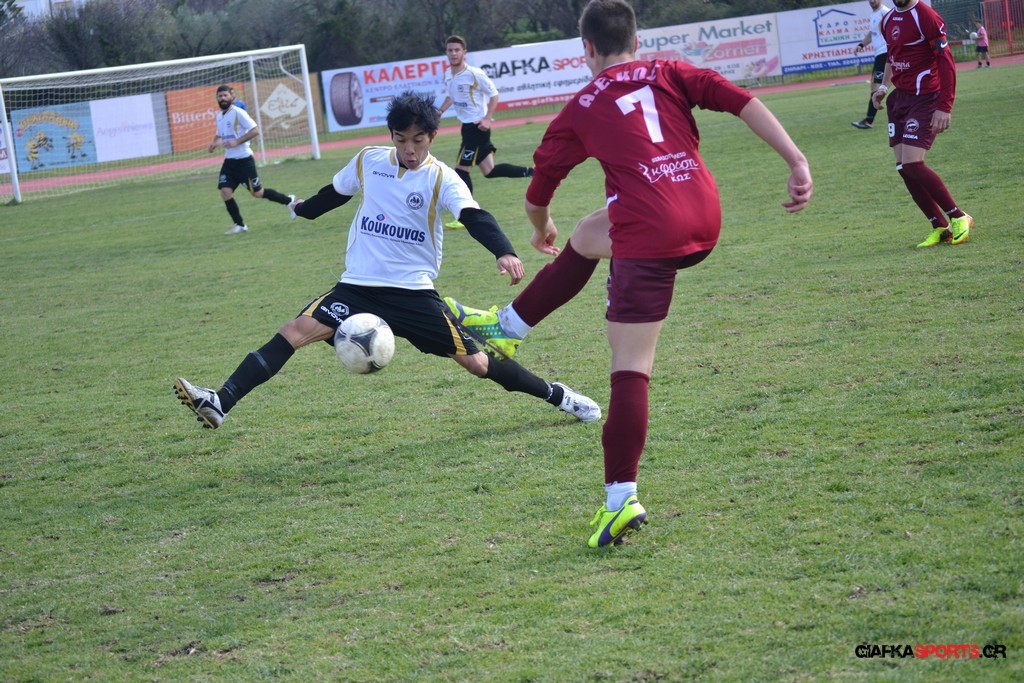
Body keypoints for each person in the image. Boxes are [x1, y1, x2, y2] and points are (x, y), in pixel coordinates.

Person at [444, 0, 812, 548]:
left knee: (630, 367)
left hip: (649, 232)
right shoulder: (669, 72)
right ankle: (509, 327)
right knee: (590, 233)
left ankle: (621, 500)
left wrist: (541, 229)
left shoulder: (581, 106)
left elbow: (538, 192)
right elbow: (743, 102)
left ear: (586, 49)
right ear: (636, 41)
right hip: (704, 213)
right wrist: (796, 160)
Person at [175, 90, 600, 435]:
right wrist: (303, 209)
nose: (409, 149)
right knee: (293, 331)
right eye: (401, 139)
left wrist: (503, 250)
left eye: (418, 140)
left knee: (478, 363)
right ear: (391, 136)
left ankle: (558, 396)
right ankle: (220, 402)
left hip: (412, 293)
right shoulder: (369, 160)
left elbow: (474, 215)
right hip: (357, 287)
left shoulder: (441, 177)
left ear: (432, 137)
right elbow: (335, 193)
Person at [872, 0, 973, 248]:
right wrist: (883, 87)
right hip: (900, 99)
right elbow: (891, 56)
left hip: (925, 98)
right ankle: (939, 226)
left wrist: (944, 106)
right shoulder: (887, 20)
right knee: (903, 168)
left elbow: (945, 60)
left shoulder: (926, 16)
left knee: (912, 164)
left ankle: (959, 216)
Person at [437, 35, 533, 229]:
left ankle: (466, 215)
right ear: (446, 53)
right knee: (489, 171)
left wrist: (487, 118)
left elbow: (494, 94)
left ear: (464, 52)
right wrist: (439, 112)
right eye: (450, 50)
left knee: (461, 170)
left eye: (457, 50)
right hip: (467, 128)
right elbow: (451, 96)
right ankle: (533, 172)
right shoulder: (448, 74)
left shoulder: (474, 73)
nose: (453, 53)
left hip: (477, 128)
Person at [208, 84, 293, 235]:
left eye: (225, 95)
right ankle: (240, 225)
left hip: (244, 161)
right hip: (229, 162)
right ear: (217, 98)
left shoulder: (238, 112)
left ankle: (289, 201)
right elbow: (220, 134)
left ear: (231, 97)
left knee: (257, 193)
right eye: (220, 96)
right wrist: (214, 143)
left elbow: (255, 131)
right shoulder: (219, 116)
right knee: (225, 191)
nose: (223, 98)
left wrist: (237, 141)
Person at [852, 0, 891, 129]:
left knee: (876, 86)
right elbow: (872, 33)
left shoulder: (885, 12)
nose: (872, 1)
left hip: (885, 53)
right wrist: (861, 44)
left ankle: (869, 121)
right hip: (880, 54)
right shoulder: (875, 14)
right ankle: (869, 120)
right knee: (877, 85)